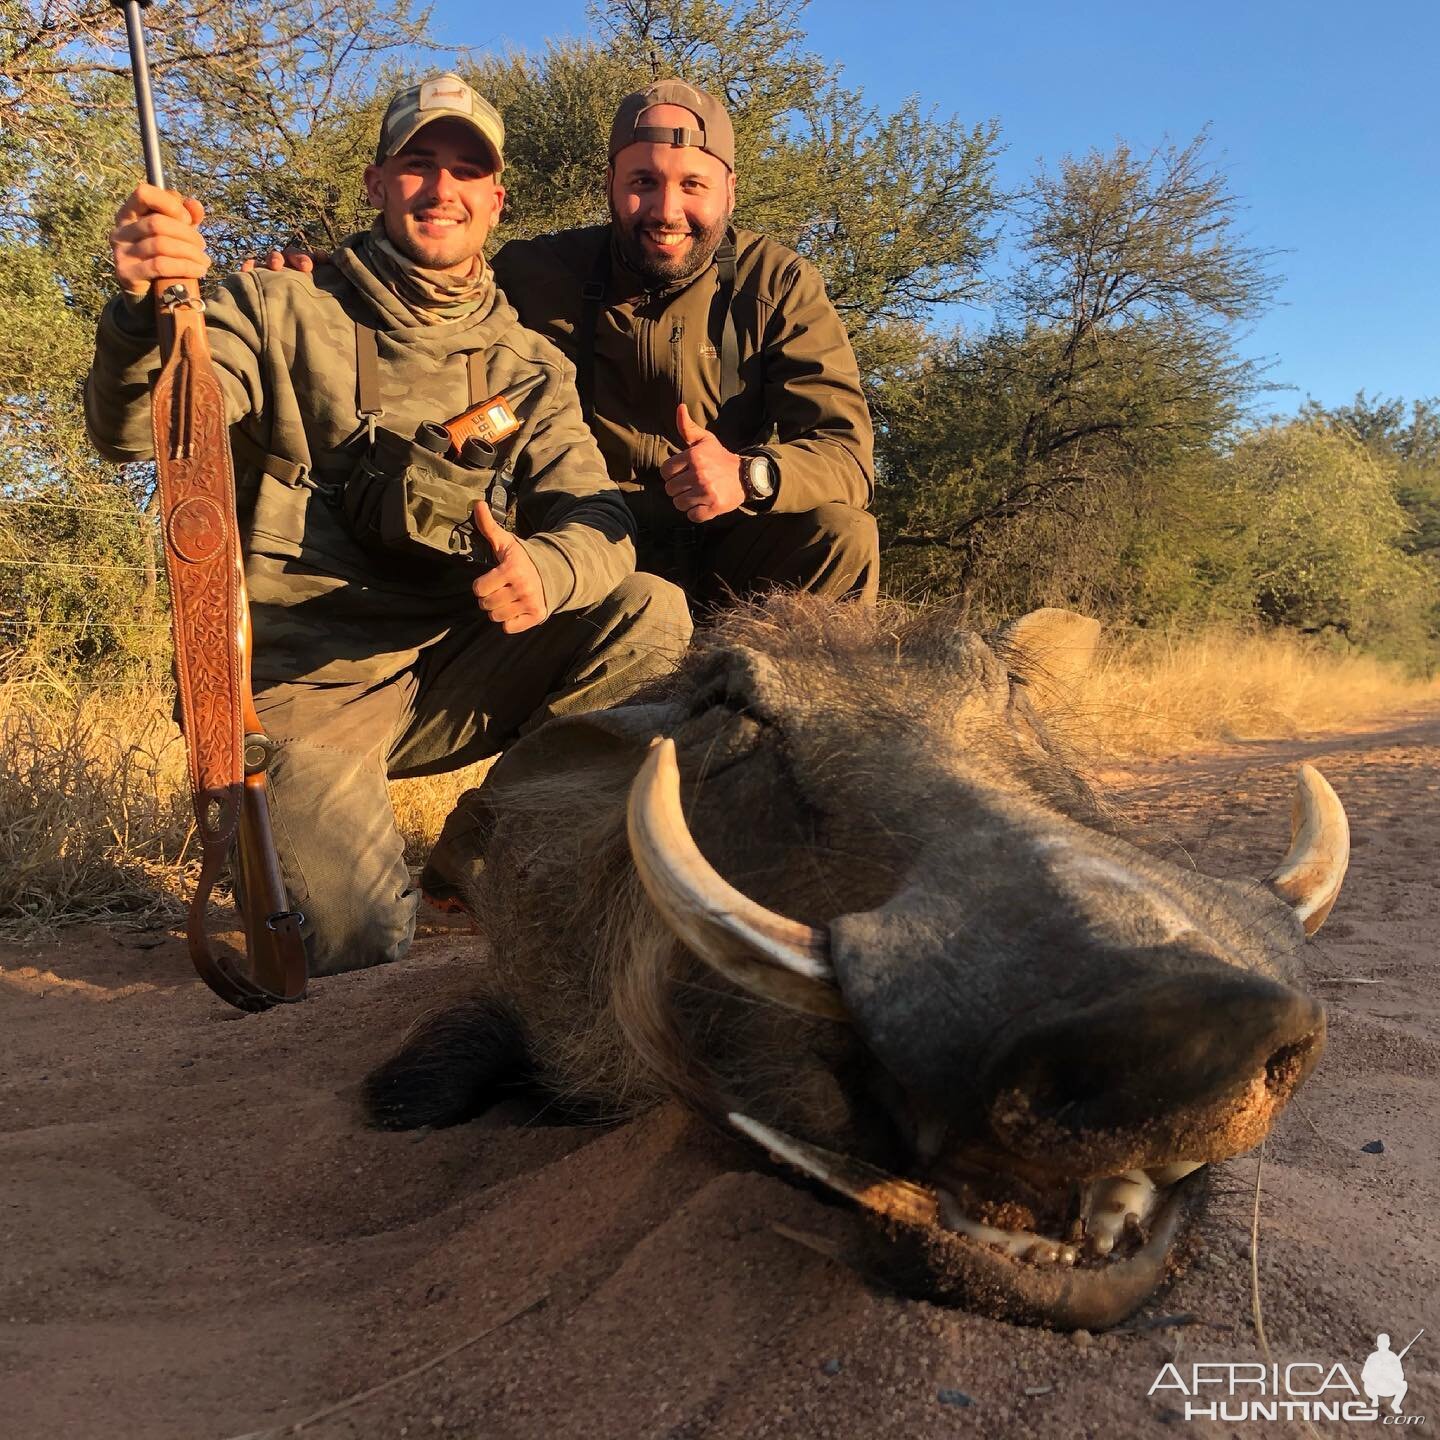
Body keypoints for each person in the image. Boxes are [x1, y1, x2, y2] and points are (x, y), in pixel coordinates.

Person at [85, 72, 692, 976]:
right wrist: (143, 310)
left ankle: (480, 857)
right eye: (418, 164)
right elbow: (136, 433)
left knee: (649, 612)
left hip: (446, 669)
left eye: (464, 171)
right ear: (376, 184)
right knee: (352, 944)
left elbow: (599, 516)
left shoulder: (530, 367)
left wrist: (548, 571)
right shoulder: (274, 307)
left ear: (497, 199)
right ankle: (309, 835)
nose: (440, 190)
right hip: (303, 692)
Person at [492, 79, 880, 610]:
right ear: (609, 182)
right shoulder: (532, 272)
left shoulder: (779, 282)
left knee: (843, 535)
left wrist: (751, 475)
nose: (666, 211)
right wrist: (344, 274)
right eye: (643, 181)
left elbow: (846, 457)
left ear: (730, 191)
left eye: (693, 185)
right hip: (587, 547)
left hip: (728, 545)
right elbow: (434, 281)